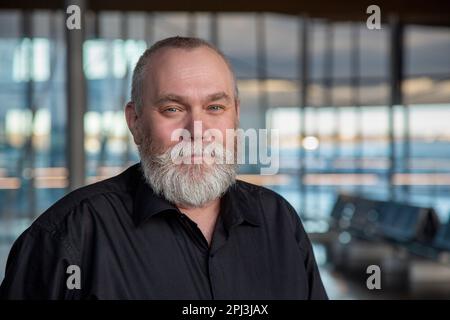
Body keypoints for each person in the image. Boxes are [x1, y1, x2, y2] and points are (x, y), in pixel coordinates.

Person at [0, 36, 327, 300]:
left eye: (215, 107)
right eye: (172, 108)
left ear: (236, 115)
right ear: (136, 121)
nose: (198, 131)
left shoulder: (279, 222)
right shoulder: (67, 236)